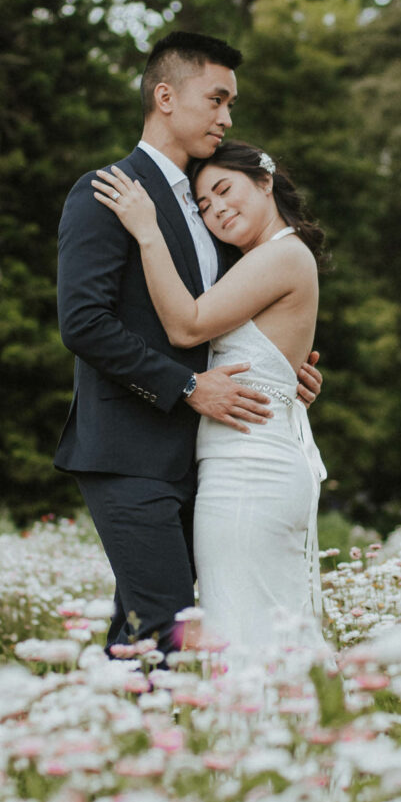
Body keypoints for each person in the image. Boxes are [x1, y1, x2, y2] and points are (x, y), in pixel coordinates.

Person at [55, 31, 321, 657]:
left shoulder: (211, 211)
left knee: (145, 632)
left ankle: (118, 744)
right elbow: (84, 323)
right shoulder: (107, 193)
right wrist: (186, 386)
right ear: (166, 96)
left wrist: (283, 372)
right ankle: (149, 747)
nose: (227, 119)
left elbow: (235, 322)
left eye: (232, 106)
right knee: (164, 627)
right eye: (217, 99)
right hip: (128, 453)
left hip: (209, 460)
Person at [92, 139, 328, 658]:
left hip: (250, 473)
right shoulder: (259, 261)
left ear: (265, 182)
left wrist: (148, 230)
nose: (217, 209)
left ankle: (271, 731)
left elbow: (187, 326)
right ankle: (287, 732)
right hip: (239, 465)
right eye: (203, 205)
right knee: (255, 626)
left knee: (247, 633)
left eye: (225, 190)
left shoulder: (283, 254)